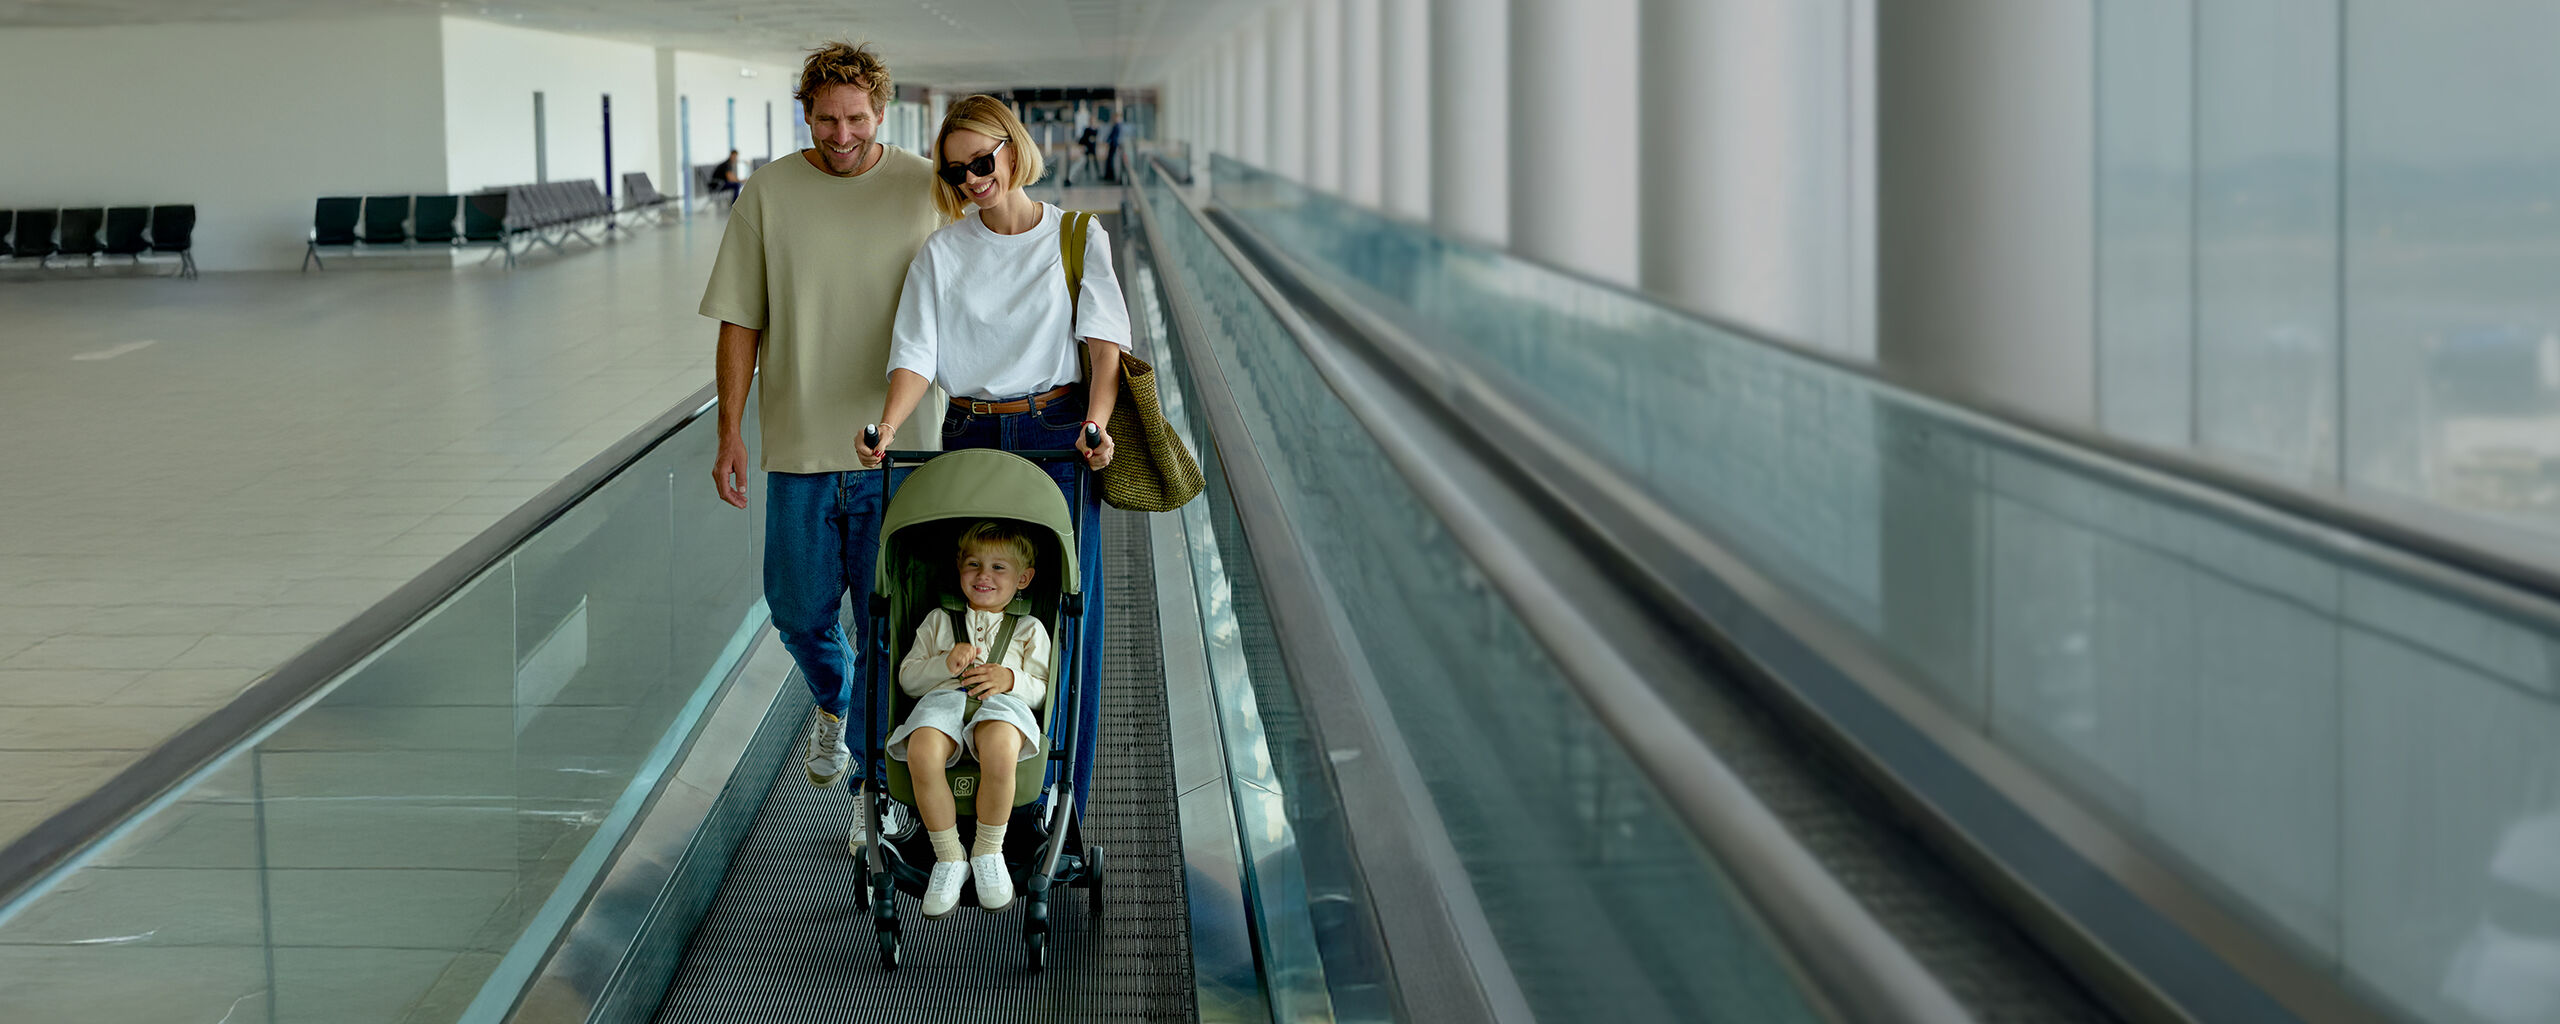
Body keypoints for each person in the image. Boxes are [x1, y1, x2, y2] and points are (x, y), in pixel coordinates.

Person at [701, 40, 945, 855]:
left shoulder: (925, 185)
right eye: (827, 118)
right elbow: (742, 320)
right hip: (802, 446)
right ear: (806, 111)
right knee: (799, 610)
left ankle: (874, 790)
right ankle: (835, 702)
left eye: (857, 119)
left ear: (882, 111)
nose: (842, 134)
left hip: (902, 446)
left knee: (889, 621)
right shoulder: (770, 192)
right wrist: (732, 429)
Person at [869, 93, 1128, 811]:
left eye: (982, 162)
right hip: (972, 433)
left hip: (1057, 433)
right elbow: (916, 354)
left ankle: (1061, 794)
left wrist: (1098, 426)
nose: (972, 181)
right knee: (969, 590)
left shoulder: (1077, 236)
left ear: (1013, 150)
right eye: (956, 173)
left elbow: (1104, 346)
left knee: (1067, 607)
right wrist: (888, 427)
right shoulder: (944, 251)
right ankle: (959, 771)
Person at [886, 521, 1053, 917]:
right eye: (974, 564)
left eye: (999, 568)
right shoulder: (939, 621)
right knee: (921, 750)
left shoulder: (1029, 628)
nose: (983, 576)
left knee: (1000, 747)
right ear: (959, 569)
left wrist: (1010, 678)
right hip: (943, 703)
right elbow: (908, 680)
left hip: (1003, 707)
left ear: (1023, 578)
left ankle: (987, 850)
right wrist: (945, 664)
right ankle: (948, 856)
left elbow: (1044, 687)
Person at [1102, 110, 1125, 182]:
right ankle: (1109, 175)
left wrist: (1109, 141)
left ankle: (1110, 175)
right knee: (1110, 160)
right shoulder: (1116, 126)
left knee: (1112, 160)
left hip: (1114, 145)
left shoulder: (1118, 126)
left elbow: (1114, 137)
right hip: (1113, 144)